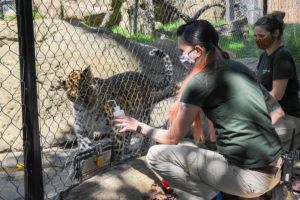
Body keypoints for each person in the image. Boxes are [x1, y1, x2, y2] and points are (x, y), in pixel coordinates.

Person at [114, 20, 284, 199]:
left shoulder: (199, 82)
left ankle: (216, 198)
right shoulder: (240, 67)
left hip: (248, 180)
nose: (180, 57)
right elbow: (277, 112)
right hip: (275, 170)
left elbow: (172, 138)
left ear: (197, 51)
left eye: (182, 51)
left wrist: (138, 126)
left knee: (156, 155)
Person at [254, 11, 300, 151]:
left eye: (262, 36)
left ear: (275, 33)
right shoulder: (264, 55)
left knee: (257, 142)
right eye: (255, 36)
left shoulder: (282, 56)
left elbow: (277, 95)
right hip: (268, 112)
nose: (257, 39)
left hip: (287, 114)